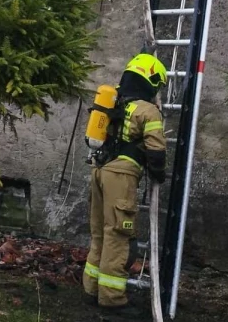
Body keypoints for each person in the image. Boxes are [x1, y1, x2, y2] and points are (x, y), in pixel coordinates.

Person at [83, 53, 168, 315]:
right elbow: (156, 150)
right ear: (151, 80)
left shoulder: (113, 99)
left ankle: (91, 289)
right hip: (121, 176)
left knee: (99, 233)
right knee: (118, 235)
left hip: (99, 169)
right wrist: (159, 174)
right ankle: (112, 299)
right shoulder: (147, 109)